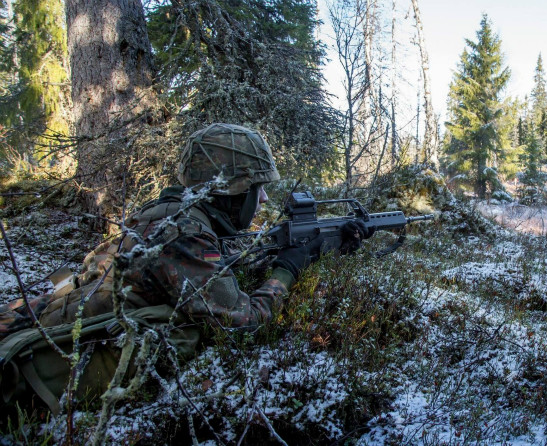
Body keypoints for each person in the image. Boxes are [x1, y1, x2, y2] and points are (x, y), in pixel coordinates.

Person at [0, 123, 372, 413]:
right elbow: (247, 320)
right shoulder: (185, 233)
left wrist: (327, 244)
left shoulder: (164, 212)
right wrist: (288, 269)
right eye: (256, 188)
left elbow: (214, 267)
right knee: (186, 334)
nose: (262, 198)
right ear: (231, 190)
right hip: (33, 374)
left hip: (42, 328)